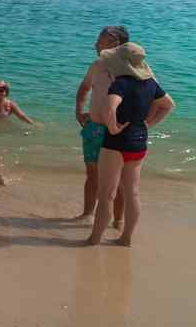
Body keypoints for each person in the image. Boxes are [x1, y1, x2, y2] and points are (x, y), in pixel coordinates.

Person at [87, 43, 176, 247]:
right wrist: (148, 124)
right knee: (132, 192)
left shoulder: (121, 83)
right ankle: (126, 238)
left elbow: (111, 107)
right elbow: (168, 105)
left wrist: (113, 127)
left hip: (115, 145)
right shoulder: (151, 83)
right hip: (139, 144)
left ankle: (94, 239)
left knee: (106, 194)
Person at [75, 25, 130, 223]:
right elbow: (84, 87)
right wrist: (79, 110)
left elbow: (155, 98)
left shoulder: (132, 68)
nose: (96, 43)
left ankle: (118, 221)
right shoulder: (97, 65)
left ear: (116, 43)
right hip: (94, 129)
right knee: (92, 174)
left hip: (118, 133)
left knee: (120, 180)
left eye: (101, 40)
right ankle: (87, 214)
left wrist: (144, 125)